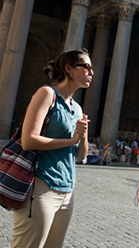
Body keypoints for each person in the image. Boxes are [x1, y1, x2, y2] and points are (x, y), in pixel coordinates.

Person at [11, 49, 92, 248]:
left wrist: (81, 137)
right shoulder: (47, 94)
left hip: (67, 190)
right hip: (41, 186)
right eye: (87, 67)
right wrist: (71, 140)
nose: (91, 72)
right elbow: (28, 140)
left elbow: (80, 156)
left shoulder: (77, 108)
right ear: (69, 69)